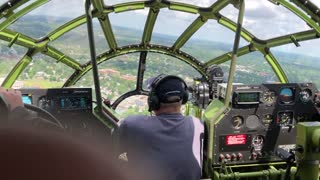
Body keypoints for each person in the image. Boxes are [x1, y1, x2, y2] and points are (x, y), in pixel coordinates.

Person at [116, 74, 204, 180]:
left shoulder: (132, 124)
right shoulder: (198, 125)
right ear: (183, 98)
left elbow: (112, 151)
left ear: (153, 101)